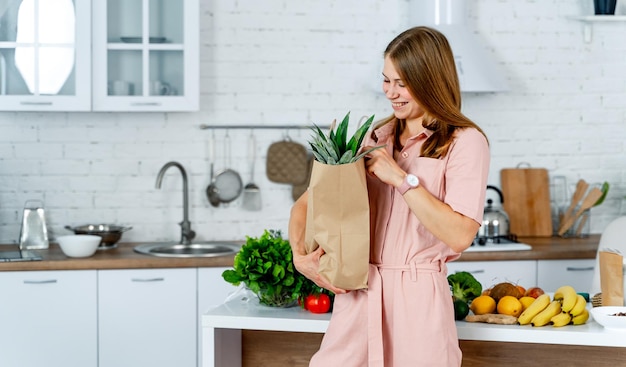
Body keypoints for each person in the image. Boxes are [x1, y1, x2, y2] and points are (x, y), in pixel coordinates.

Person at [288, 26, 490, 367]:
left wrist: (400, 178)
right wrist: (298, 255)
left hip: (418, 299)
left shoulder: (465, 142)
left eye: (402, 83)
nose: (390, 93)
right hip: (359, 292)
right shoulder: (374, 136)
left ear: (430, 80)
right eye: (386, 80)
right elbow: (309, 202)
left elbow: (461, 233)